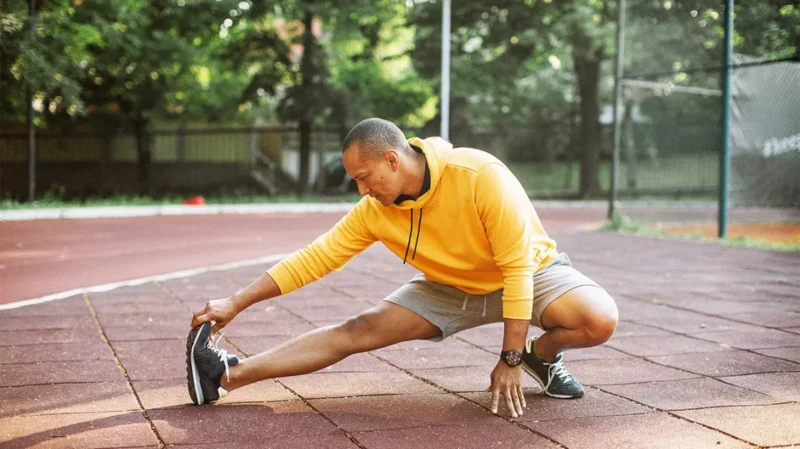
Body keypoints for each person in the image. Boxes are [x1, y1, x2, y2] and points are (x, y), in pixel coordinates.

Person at [188, 118, 618, 418]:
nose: (362, 190)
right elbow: (315, 258)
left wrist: (511, 357)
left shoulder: (480, 175)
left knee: (599, 319)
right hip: (450, 287)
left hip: (529, 272)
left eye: (365, 177)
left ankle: (540, 357)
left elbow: (517, 269)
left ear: (392, 160)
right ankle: (226, 375)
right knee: (356, 329)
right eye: (356, 181)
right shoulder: (375, 209)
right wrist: (237, 301)